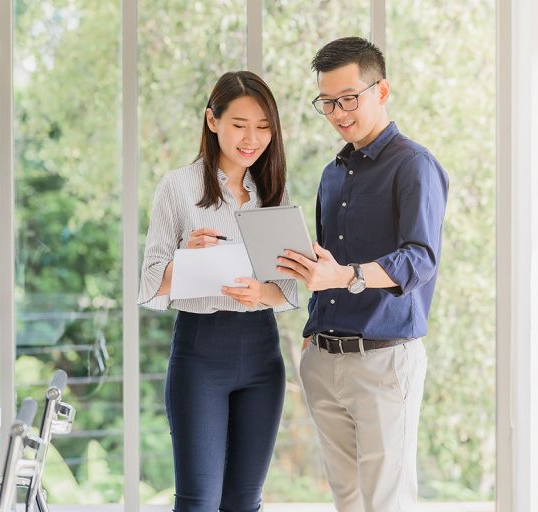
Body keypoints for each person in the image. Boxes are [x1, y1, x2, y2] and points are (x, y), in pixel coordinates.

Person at [277, 37, 449, 511]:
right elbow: (328, 262)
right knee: (348, 501)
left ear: (382, 90)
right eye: (327, 102)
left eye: (349, 98)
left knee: (384, 502)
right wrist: (312, 326)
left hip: (383, 362)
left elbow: (420, 259)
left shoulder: (414, 165)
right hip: (325, 359)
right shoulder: (334, 174)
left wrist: (347, 276)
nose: (338, 112)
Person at [138, 71, 298, 512]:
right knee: (199, 502)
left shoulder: (273, 193)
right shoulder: (178, 186)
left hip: (263, 353)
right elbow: (150, 282)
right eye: (240, 125)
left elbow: (287, 289)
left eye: (264, 127)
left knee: (245, 502)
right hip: (200, 353)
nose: (252, 138)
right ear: (213, 121)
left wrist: (260, 293)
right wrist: (186, 256)